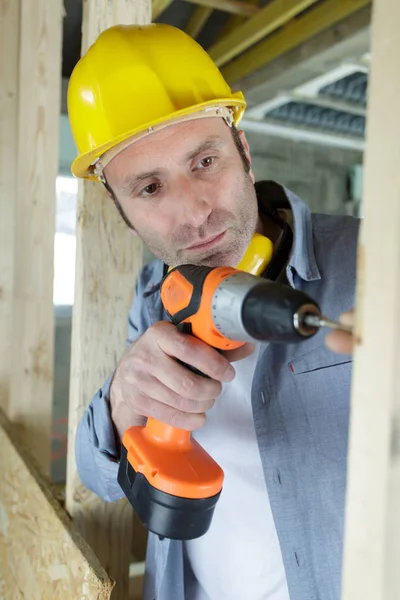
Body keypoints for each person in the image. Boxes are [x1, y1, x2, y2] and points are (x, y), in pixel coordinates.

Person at [69, 24, 358, 600]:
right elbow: (97, 477)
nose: (195, 214)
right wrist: (121, 404)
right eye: (149, 189)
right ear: (119, 207)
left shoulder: (374, 267)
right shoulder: (156, 290)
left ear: (243, 150)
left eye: (204, 162)